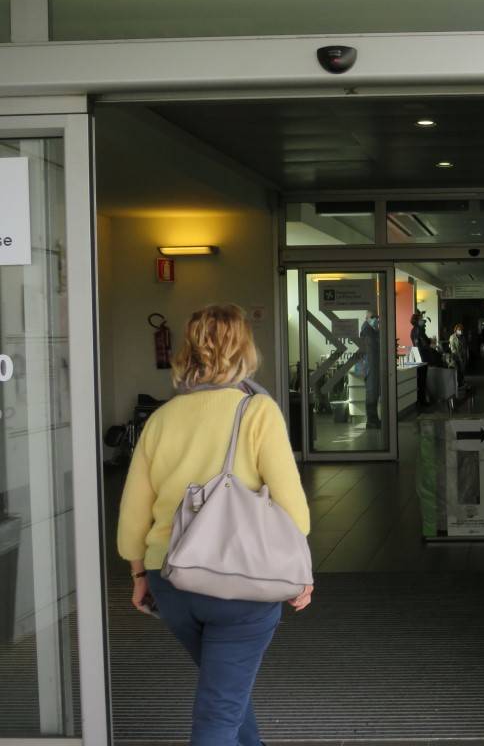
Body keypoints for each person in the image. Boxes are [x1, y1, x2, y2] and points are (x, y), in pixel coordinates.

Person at [117, 304, 312, 746]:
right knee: (219, 712)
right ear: (245, 348)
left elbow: (133, 512)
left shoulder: (161, 419)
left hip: (173, 580)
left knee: (226, 690)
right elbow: (293, 508)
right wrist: (301, 571)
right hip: (243, 582)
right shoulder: (257, 412)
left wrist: (138, 574)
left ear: (188, 351)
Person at [360, 309, 381, 428]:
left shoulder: (373, 329)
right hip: (369, 365)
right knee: (371, 392)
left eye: (377, 317)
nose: (376, 319)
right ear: (367, 317)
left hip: (373, 364)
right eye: (373, 317)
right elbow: (368, 349)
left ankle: (374, 419)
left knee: (374, 393)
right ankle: (371, 421)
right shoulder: (366, 330)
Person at [410, 311, 431, 405]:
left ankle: (419, 400)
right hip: (423, 356)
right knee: (422, 379)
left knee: (419, 379)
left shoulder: (413, 330)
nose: (423, 320)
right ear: (417, 320)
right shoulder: (420, 330)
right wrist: (430, 341)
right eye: (421, 319)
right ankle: (422, 401)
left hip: (417, 356)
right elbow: (425, 342)